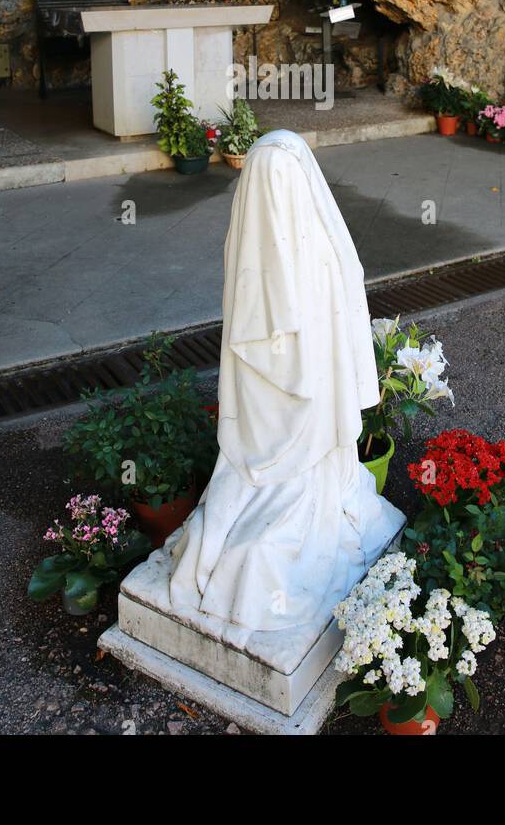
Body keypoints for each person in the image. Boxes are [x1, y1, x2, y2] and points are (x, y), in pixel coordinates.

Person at [168, 129, 403, 632]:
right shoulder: (291, 242)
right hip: (284, 419)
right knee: (262, 544)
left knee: (264, 536)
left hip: (297, 422)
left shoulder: (293, 240)